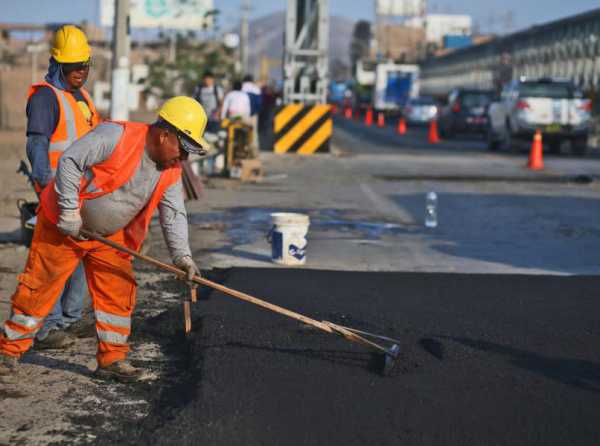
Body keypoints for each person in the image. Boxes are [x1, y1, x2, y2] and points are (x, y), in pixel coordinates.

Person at [0, 96, 208, 383]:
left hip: (108, 236)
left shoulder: (170, 171)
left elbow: (173, 213)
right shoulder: (116, 136)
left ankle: (112, 358)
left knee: (118, 290)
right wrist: (71, 212)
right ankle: (8, 352)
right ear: (164, 134)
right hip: (63, 225)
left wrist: (182, 257)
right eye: (182, 151)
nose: (182, 159)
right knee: (39, 287)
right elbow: (70, 161)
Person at [26, 24, 100, 349]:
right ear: (58, 64)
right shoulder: (46, 97)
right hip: (57, 190)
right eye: (74, 66)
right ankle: (47, 327)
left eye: (84, 65)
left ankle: (70, 317)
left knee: (83, 253)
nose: (81, 72)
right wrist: (44, 187)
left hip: (85, 191)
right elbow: (37, 145)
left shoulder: (80, 96)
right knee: (55, 259)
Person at [242, 75, 262, 156]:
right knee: (254, 133)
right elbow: (259, 104)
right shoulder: (256, 89)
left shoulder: (241, 88)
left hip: (243, 115)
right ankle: (253, 153)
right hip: (253, 115)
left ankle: (243, 150)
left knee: (242, 133)